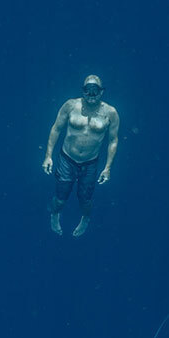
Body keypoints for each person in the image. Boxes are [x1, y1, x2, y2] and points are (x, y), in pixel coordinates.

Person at [42, 75, 120, 236]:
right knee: (60, 198)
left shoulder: (111, 113)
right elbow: (56, 128)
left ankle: (86, 218)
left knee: (85, 200)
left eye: (95, 90)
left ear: (102, 91)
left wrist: (108, 168)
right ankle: (54, 214)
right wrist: (48, 156)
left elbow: (113, 140)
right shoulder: (70, 105)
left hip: (90, 163)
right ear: (83, 91)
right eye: (88, 90)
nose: (91, 94)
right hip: (67, 159)